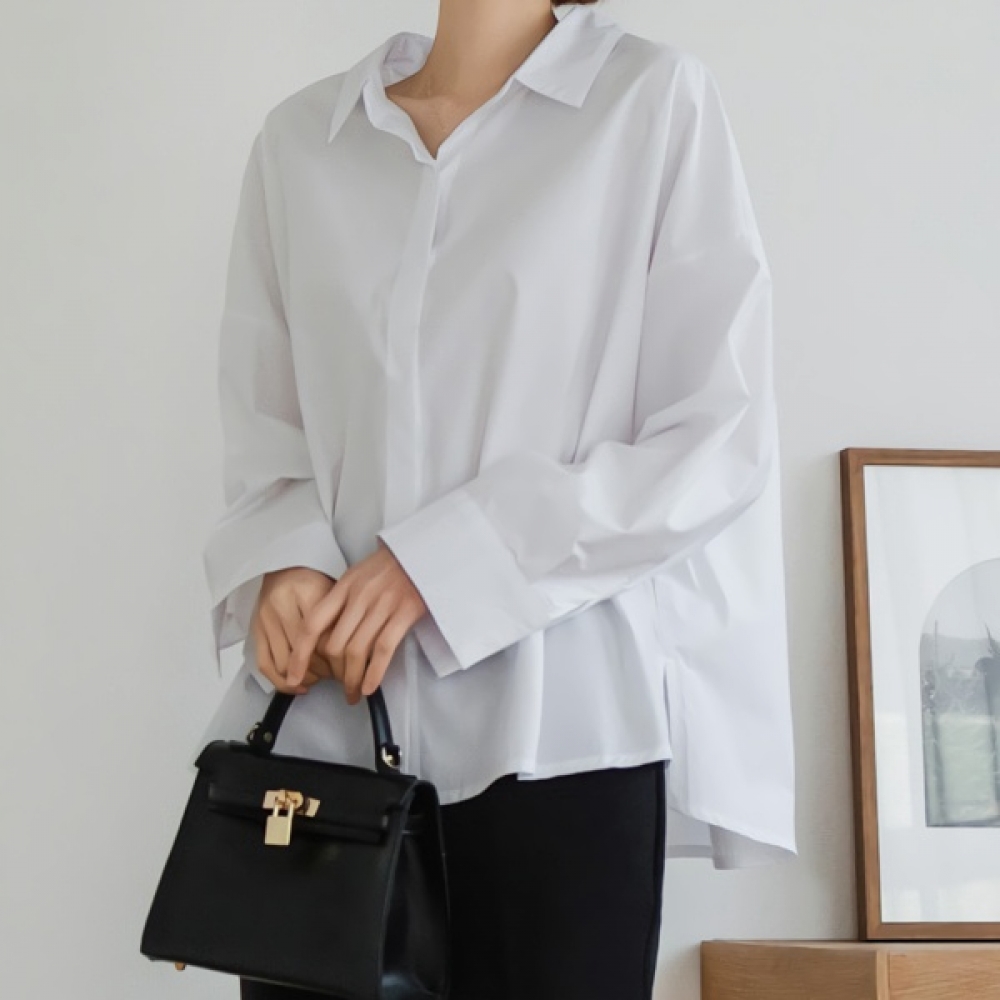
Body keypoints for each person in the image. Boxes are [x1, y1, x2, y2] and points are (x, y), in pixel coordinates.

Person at [196, 1, 797, 998]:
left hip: (558, 736)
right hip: (322, 751)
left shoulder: (648, 102)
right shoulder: (302, 142)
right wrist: (283, 560)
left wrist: (447, 563)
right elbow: (267, 419)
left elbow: (715, 434)